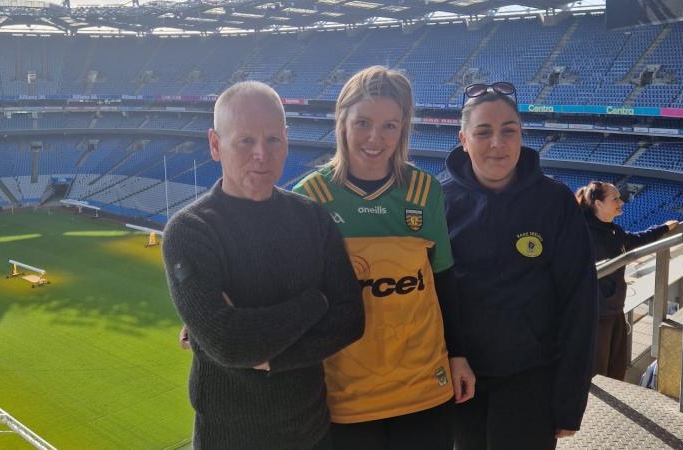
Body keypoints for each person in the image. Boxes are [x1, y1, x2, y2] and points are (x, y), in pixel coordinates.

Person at [162, 81, 365, 450]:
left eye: (274, 140)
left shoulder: (312, 219)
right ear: (214, 144)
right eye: (245, 141)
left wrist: (270, 356)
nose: (262, 154)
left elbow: (350, 320)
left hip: (313, 433)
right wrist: (314, 304)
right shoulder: (190, 231)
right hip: (228, 439)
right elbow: (231, 344)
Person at [293, 66, 475, 450]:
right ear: (341, 122)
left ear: (403, 129)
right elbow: (289, 288)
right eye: (362, 122)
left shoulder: (425, 192)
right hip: (347, 395)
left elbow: (444, 281)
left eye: (390, 126)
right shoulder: (309, 198)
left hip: (424, 386)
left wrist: (458, 354)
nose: (375, 138)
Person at [441, 82, 598, 449]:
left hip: (532, 381)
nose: (497, 143)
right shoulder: (439, 201)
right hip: (459, 379)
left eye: (508, 131)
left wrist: (569, 400)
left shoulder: (555, 202)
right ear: (464, 139)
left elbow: (579, 304)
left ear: (521, 136)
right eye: (483, 132)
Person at [575, 180, 678, 381]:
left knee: (616, 368)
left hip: (614, 310)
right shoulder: (582, 233)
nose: (621, 201)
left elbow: (634, 240)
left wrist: (663, 229)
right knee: (597, 374)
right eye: (615, 198)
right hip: (595, 315)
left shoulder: (613, 230)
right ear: (598, 204)